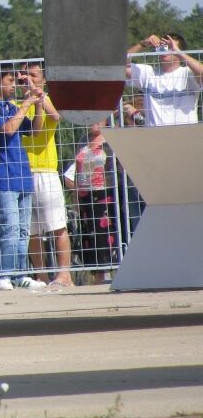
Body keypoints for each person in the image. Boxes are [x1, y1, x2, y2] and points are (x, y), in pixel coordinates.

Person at [0, 68, 47, 291]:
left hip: (22, 175)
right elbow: (7, 129)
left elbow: (35, 130)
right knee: (9, 228)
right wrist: (26, 105)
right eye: (10, 80)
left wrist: (39, 103)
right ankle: (4, 274)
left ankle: (20, 273)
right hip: (3, 175)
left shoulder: (12, 107)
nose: (14, 85)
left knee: (24, 229)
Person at [19, 60, 74, 288]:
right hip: (23, 171)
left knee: (57, 225)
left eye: (32, 75)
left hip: (46, 170)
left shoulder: (49, 99)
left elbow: (56, 117)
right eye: (23, 76)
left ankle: (64, 274)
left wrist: (39, 97)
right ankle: (40, 275)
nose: (27, 79)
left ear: (43, 79)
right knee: (31, 229)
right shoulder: (17, 103)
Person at [63, 122, 117, 284]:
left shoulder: (111, 140)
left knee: (105, 234)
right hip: (85, 195)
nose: (93, 122)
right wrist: (76, 195)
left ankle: (108, 272)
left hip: (105, 193)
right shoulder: (82, 141)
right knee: (89, 236)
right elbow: (73, 172)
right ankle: (97, 276)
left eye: (98, 118)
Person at [126, 33, 203, 125]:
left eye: (170, 47)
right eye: (163, 47)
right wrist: (142, 44)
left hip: (186, 135)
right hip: (155, 136)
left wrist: (178, 52)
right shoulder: (148, 73)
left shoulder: (188, 73)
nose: (165, 50)